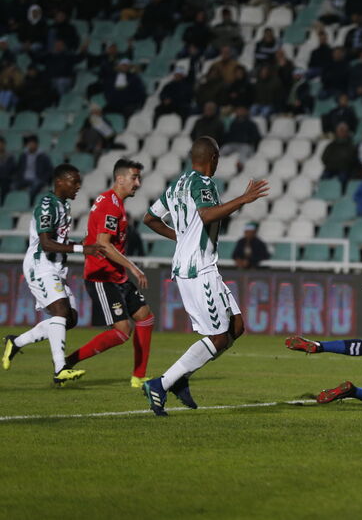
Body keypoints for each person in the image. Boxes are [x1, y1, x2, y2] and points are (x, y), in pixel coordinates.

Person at [141, 137, 270, 416]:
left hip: (200, 266)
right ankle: (160, 383)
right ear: (213, 157)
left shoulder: (177, 185)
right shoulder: (204, 183)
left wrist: (180, 236)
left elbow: (149, 218)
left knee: (236, 327)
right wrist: (243, 199)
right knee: (219, 337)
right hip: (198, 269)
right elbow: (207, 214)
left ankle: (180, 380)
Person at [2, 164, 106, 384]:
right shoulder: (47, 205)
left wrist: (82, 245)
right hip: (40, 264)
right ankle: (60, 369)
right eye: (74, 182)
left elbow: (58, 241)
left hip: (56, 267)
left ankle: (16, 342)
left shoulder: (63, 205)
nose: (78, 186)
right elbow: (47, 243)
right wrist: (82, 249)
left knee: (70, 318)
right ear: (60, 182)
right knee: (59, 311)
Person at [60, 159, 154, 387]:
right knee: (123, 331)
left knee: (145, 317)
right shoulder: (110, 205)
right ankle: (66, 363)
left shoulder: (112, 202)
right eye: (134, 178)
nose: (138, 183)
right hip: (101, 277)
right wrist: (133, 267)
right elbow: (103, 244)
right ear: (120, 179)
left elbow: (95, 236)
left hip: (115, 275)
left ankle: (138, 377)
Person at [15, 134, 54, 200]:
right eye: (30, 144)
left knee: (34, 187)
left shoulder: (43, 156)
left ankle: (30, 203)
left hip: (37, 179)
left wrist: (43, 179)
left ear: (37, 144)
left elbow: (49, 170)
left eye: (33, 143)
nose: (31, 145)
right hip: (24, 179)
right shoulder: (23, 156)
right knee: (12, 186)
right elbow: (19, 169)